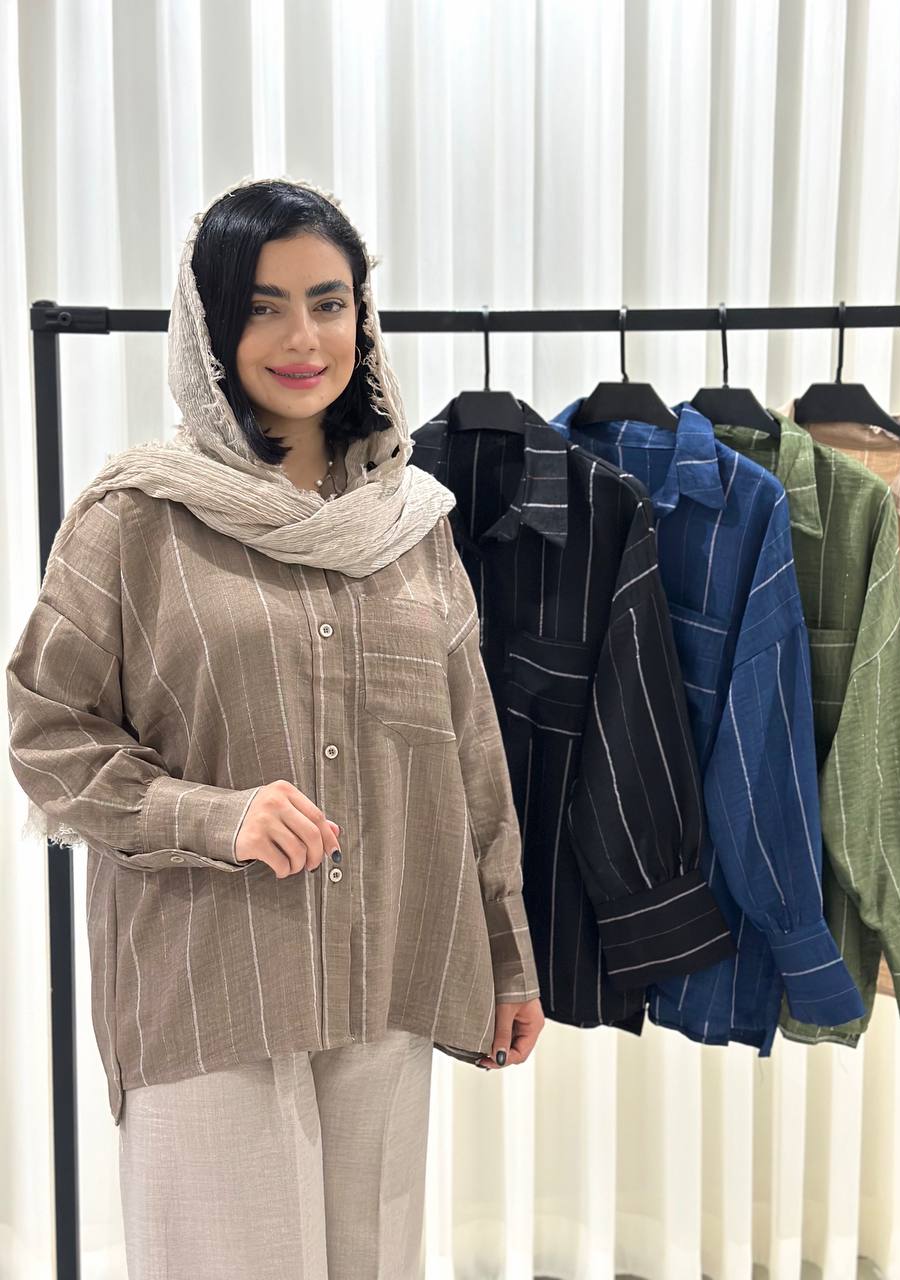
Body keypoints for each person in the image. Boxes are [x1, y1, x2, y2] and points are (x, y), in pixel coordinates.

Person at [6, 175, 545, 1279]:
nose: (304, 337)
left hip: (388, 971)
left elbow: (470, 756)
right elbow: (48, 731)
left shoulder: (413, 526)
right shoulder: (136, 518)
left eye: (328, 301)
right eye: (262, 306)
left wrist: (508, 956)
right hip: (212, 979)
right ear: (209, 325)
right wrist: (215, 816)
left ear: (363, 317)